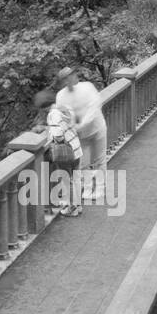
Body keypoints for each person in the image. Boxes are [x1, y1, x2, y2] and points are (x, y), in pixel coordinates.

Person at [54, 67, 107, 204]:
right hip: (79, 135)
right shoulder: (61, 96)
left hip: (97, 129)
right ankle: (88, 188)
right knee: (83, 163)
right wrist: (71, 126)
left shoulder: (87, 87)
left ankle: (100, 189)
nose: (72, 77)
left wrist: (81, 124)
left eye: (72, 74)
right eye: (68, 76)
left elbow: (95, 106)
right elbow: (63, 114)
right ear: (64, 81)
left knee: (100, 160)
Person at [44, 104, 83, 216]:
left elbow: (58, 134)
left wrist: (54, 138)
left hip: (66, 151)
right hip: (76, 147)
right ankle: (78, 206)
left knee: (67, 180)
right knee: (76, 178)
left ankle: (72, 208)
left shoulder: (53, 115)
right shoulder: (65, 109)